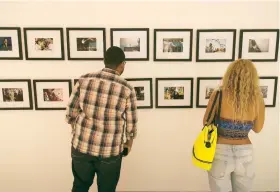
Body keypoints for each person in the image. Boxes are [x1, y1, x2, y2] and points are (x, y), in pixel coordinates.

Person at [65, 46, 138, 192]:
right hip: (109, 152)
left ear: (104, 61)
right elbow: (131, 124)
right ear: (122, 64)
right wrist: (128, 143)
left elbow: (71, 112)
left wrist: (76, 130)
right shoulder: (127, 88)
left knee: (79, 187)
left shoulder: (84, 80)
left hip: (81, 147)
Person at [203, 59, 265, 192]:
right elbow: (257, 128)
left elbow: (206, 122)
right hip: (245, 152)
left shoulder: (218, 94)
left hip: (220, 150)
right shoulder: (257, 99)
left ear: (230, 74)